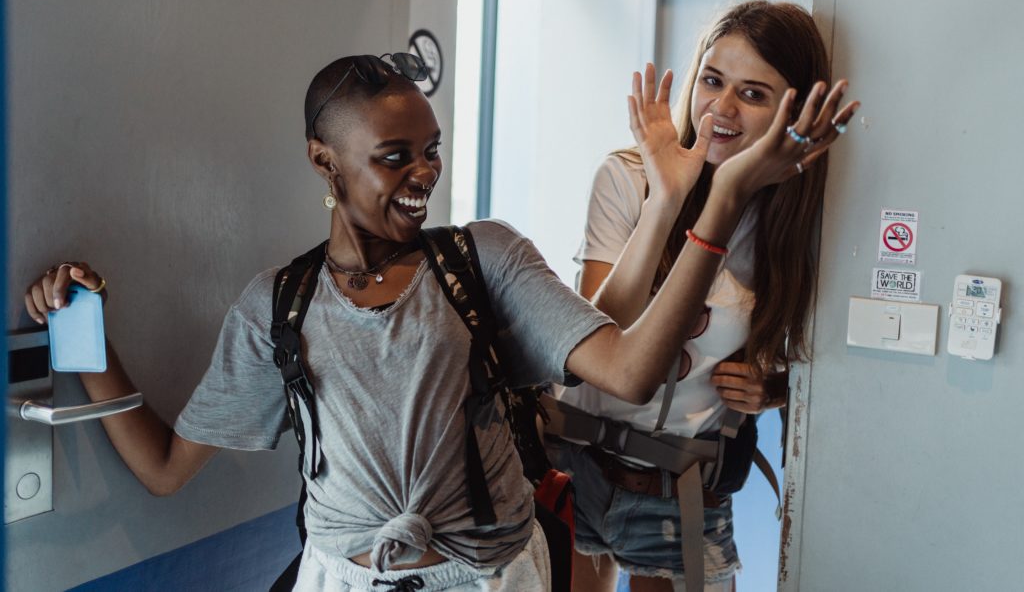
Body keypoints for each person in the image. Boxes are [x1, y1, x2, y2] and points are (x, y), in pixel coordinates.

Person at [23, 45, 847, 591]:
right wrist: (84, 330)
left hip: (488, 577)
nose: (424, 174)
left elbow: (631, 369)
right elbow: (165, 466)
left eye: (432, 150)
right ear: (324, 160)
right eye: (394, 157)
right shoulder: (279, 306)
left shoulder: (484, 261)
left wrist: (720, 196)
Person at [547, 0, 860, 592]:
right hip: (576, 464)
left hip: (679, 488)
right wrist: (665, 201)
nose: (722, 109)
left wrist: (774, 388)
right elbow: (595, 335)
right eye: (713, 81)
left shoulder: (795, 226)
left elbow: (815, 360)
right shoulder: (628, 176)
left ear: (793, 108)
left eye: (754, 94)